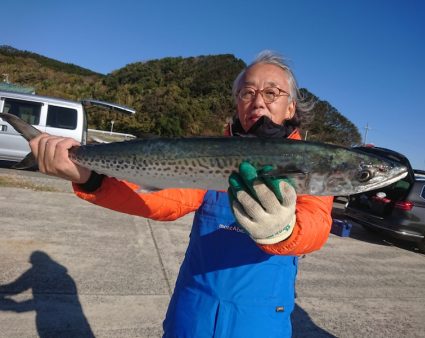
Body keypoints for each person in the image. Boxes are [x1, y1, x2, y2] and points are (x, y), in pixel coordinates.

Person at [29, 50, 333, 337]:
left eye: (271, 93)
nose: (258, 102)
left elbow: (315, 225)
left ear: (291, 107)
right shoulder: (210, 154)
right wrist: (93, 178)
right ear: (237, 104)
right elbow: (165, 197)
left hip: (261, 322)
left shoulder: (308, 161)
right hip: (191, 317)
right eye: (247, 92)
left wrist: (282, 231)